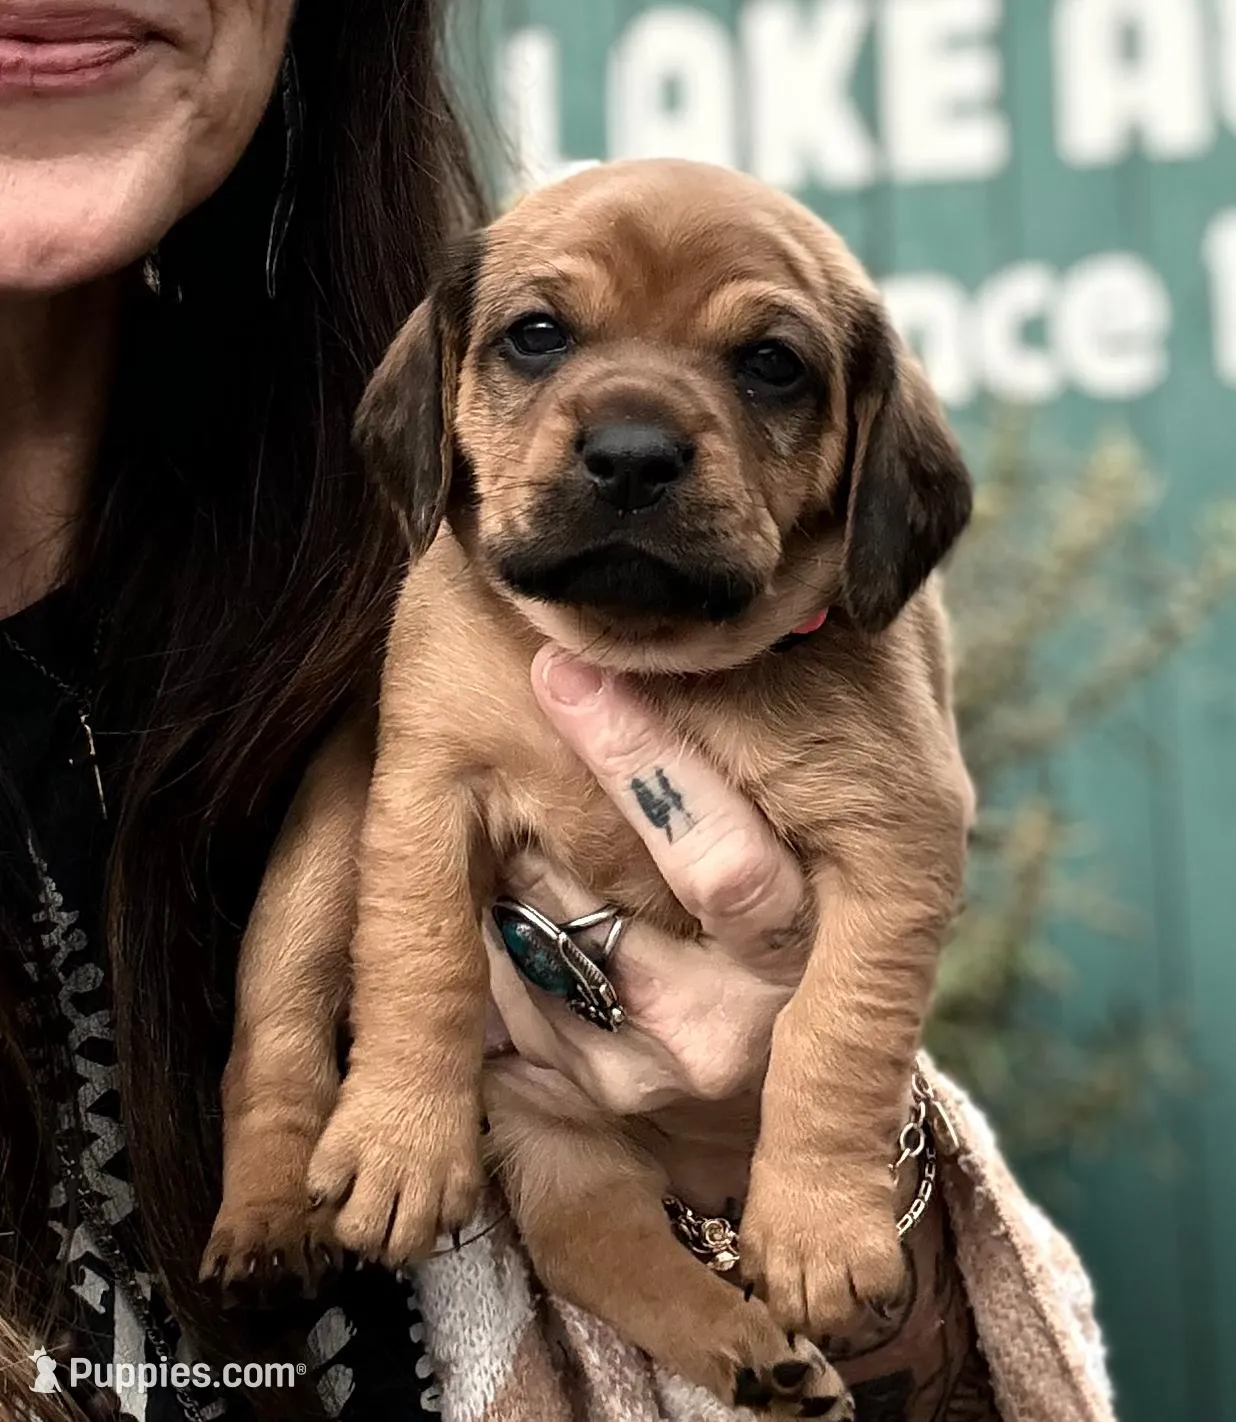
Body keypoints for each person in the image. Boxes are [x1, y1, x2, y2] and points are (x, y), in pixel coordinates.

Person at [0, 3, 1116, 1421]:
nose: (636, 439)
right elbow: (420, 819)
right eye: (539, 341)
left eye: (763, 365)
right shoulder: (447, 615)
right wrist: (377, 1075)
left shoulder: (345, 564)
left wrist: (780, 1148)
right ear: (447, 410)